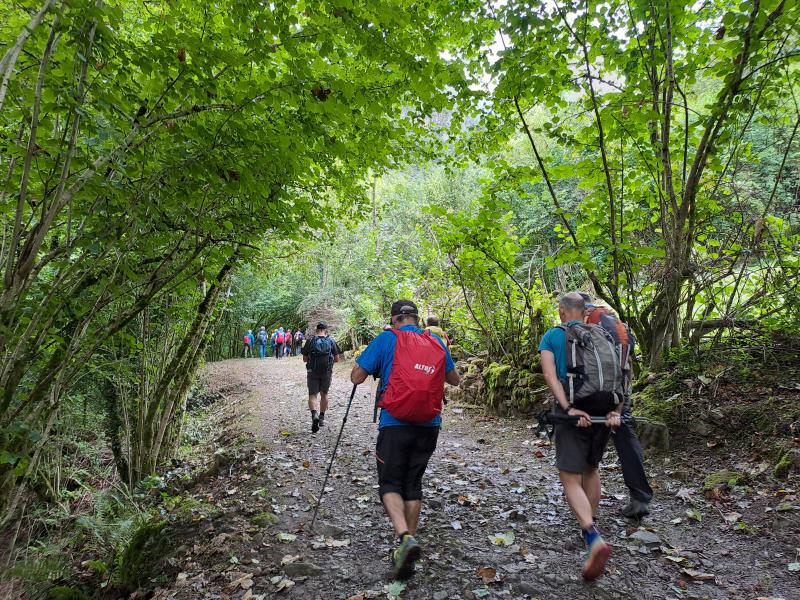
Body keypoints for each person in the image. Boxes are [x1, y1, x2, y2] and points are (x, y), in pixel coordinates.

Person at [350, 300, 460, 580]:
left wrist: (368, 364)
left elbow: (356, 377)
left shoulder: (387, 338)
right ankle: (405, 546)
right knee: (413, 483)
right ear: (417, 319)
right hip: (429, 424)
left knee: (389, 483)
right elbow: (455, 379)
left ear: (395, 319)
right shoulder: (434, 341)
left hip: (395, 423)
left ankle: (404, 537)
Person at [538, 292, 621, 581]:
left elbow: (549, 375)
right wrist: (617, 410)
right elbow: (622, 373)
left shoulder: (552, 336)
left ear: (562, 311)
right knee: (591, 468)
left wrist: (568, 408)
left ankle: (591, 535)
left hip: (574, 411)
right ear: (584, 312)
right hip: (605, 409)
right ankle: (590, 521)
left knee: (569, 476)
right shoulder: (603, 334)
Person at [579, 293, 653, 519]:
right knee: (625, 435)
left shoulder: (586, 320)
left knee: (584, 434)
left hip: (597, 389)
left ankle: (584, 499)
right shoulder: (613, 320)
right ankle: (640, 496)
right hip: (620, 387)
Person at [301, 322, 342, 433]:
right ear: (325, 330)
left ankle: (314, 414)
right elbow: (337, 359)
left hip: (312, 372)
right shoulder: (331, 341)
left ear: (316, 330)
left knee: (312, 395)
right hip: (326, 372)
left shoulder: (310, 341)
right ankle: (322, 417)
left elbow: (304, 359)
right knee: (324, 394)